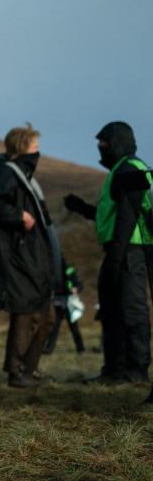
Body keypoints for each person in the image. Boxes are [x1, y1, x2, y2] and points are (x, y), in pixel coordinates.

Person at [65, 121, 153, 391]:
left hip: (131, 251)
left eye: (104, 143)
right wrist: (83, 209)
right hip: (121, 249)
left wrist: (117, 257)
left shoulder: (130, 168)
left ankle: (136, 370)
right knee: (112, 311)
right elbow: (114, 214)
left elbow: (129, 215)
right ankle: (114, 369)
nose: (100, 148)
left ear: (118, 143)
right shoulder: (120, 170)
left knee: (131, 310)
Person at [0, 123, 55, 387]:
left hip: (30, 256)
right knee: (27, 310)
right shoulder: (9, 174)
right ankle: (18, 371)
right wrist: (20, 215)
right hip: (18, 257)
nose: (38, 153)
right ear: (22, 148)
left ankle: (28, 369)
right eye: (35, 147)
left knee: (44, 313)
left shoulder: (24, 176)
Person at [42, 257, 86, 355]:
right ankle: (49, 348)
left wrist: (76, 289)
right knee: (54, 327)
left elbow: (79, 284)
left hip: (69, 302)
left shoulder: (69, 270)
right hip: (58, 302)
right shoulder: (51, 271)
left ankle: (80, 349)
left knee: (74, 327)